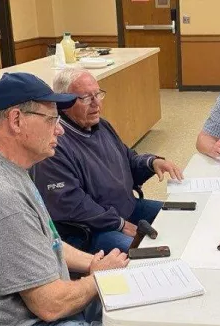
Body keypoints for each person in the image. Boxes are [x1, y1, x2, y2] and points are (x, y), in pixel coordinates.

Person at [0, 72, 189, 326]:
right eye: (51, 120)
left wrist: (96, 263)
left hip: (47, 311)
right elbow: (50, 305)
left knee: (144, 303)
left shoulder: (13, 168)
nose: (59, 130)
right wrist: (96, 278)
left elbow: (49, 241)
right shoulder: (2, 195)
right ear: (16, 120)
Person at [32, 68, 184, 254]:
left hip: (128, 207)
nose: (96, 104)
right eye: (87, 98)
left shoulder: (101, 125)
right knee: (151, 255)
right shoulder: (54, 145)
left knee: (181, 216)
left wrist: (151, 163)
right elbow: (72, 204)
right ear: (64, 102)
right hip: (92, 229)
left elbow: (128, 159)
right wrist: (120, 224)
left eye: (98, 94)